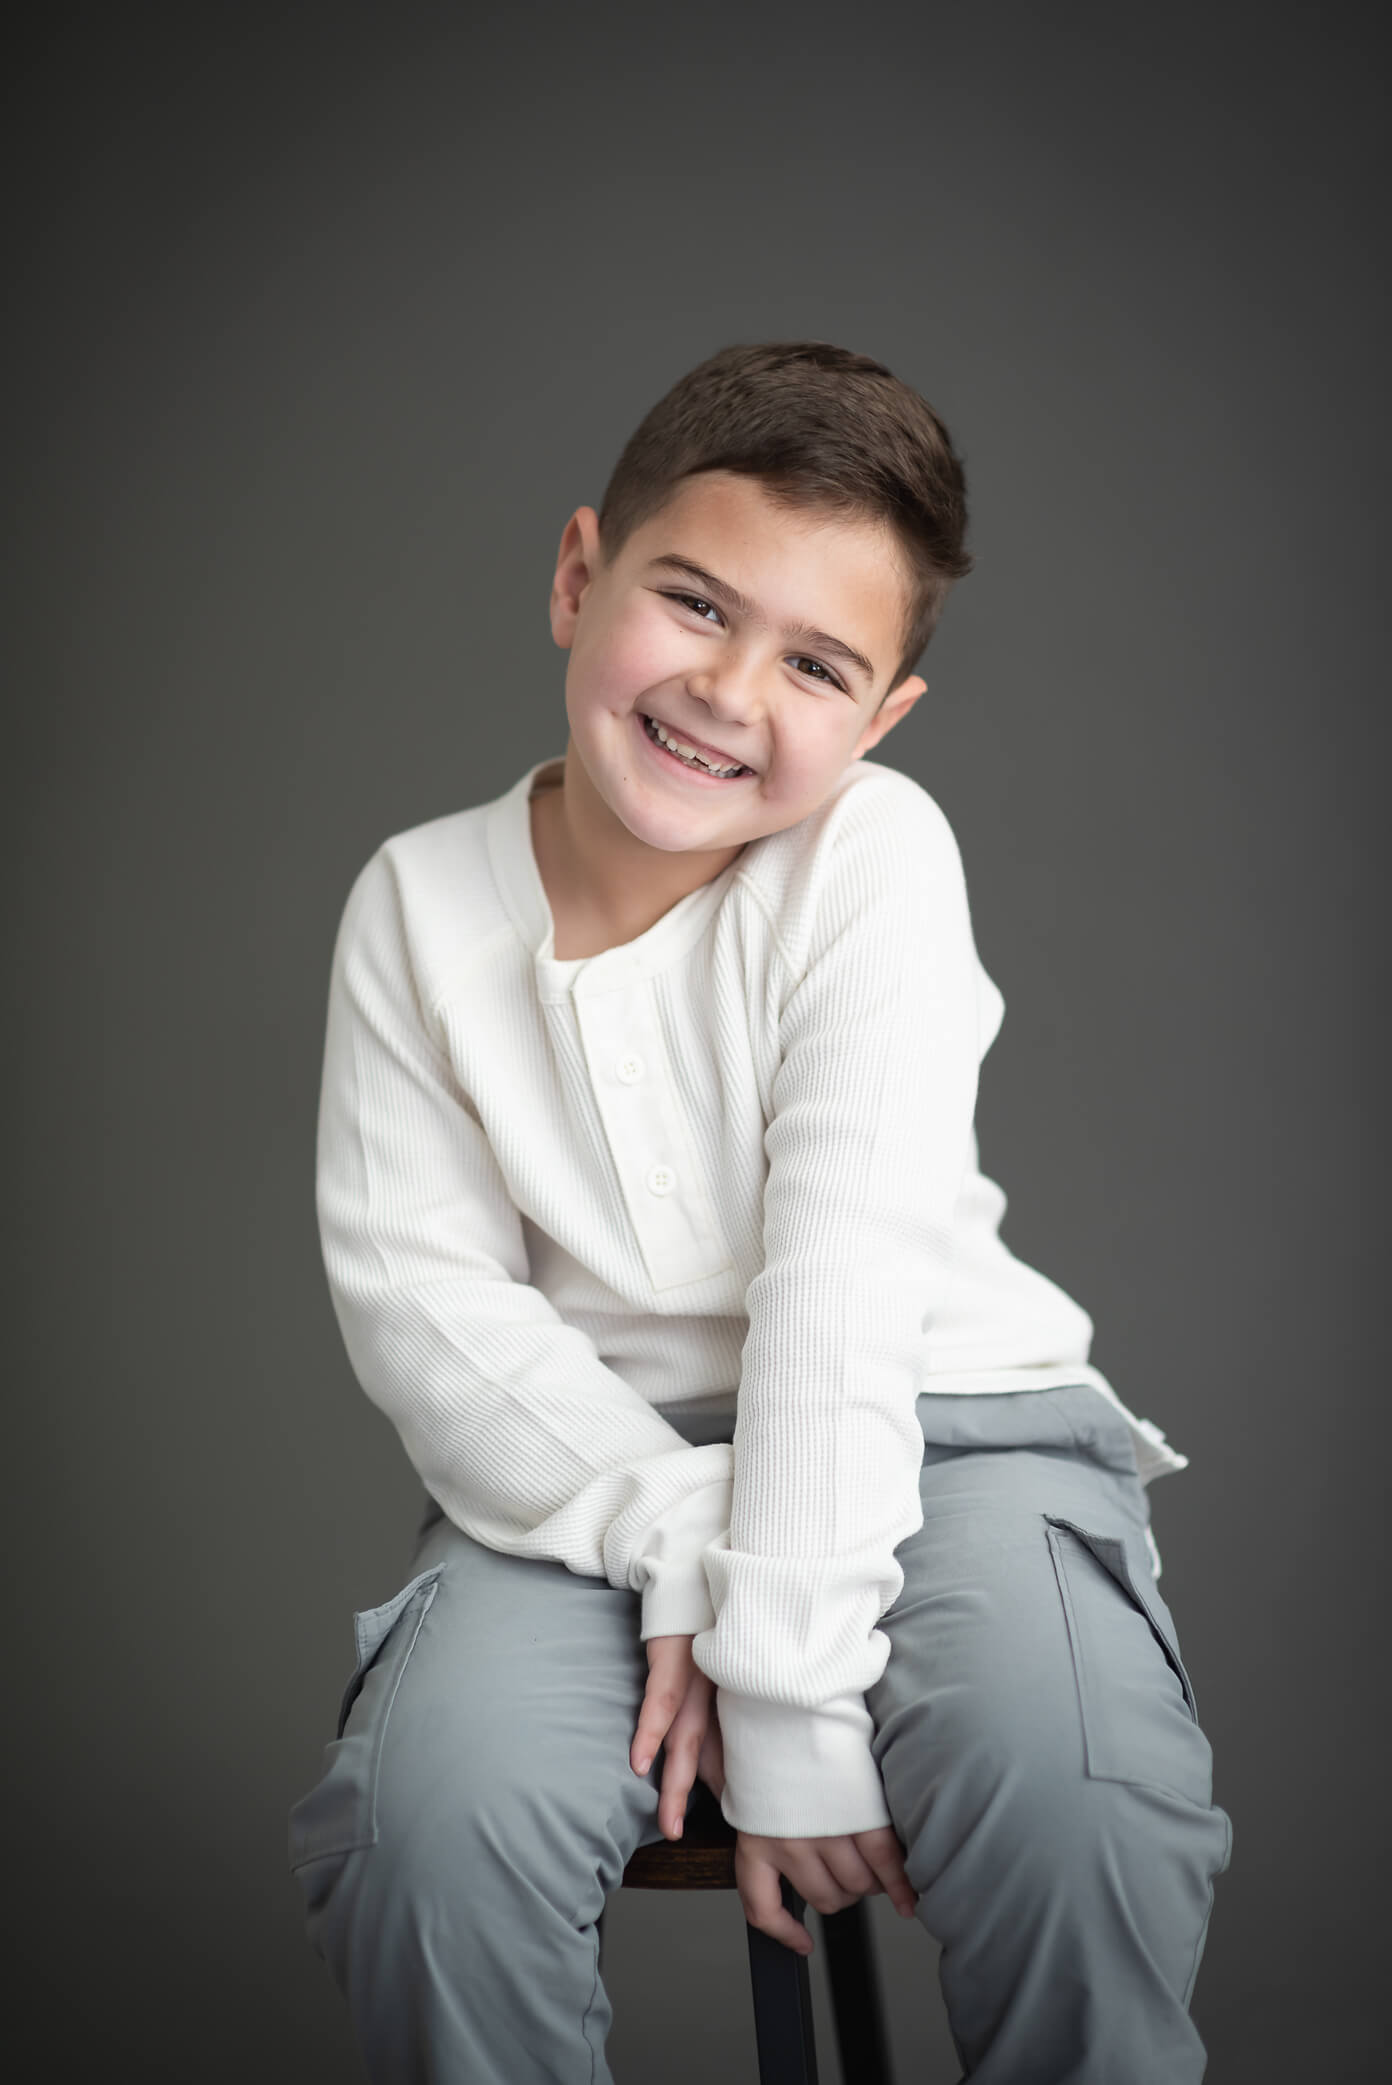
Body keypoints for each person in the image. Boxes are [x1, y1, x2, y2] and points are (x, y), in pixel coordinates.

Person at [287, 338, 1233, 2082]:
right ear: (582, 576)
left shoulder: (873, 857)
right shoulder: (414, 904)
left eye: (815, 661)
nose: (731, 690)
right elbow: (427, 1305)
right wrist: (677, 1535)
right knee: (436, 1824)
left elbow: (839, 1286)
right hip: (581, 1475)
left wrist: (787, 1697)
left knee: (1070, 1791)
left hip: (948, 1430)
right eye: (694, 603)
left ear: (877, 723)